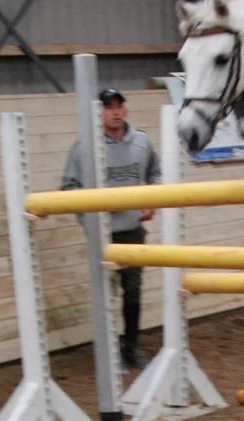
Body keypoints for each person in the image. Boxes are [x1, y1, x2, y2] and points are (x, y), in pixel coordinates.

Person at [61, 88, 161, 369]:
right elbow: (68, 187)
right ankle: (109, 351)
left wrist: (154, 200)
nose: (115, 111)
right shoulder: (84, 148)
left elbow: (156, 172)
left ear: (126, 110)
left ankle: (131, 347)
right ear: (99, 113)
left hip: (132, 230)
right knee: (106, 293)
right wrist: (88, 220)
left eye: (119, 106)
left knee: (133, 290)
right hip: (102, 233)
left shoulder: (142, 142)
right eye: (109, 107)